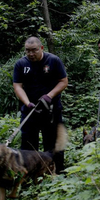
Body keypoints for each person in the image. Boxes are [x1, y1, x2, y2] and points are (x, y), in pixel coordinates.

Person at [13, 36, 68, 173]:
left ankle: (57, 172)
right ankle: (30, 174)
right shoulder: (21, 64)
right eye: (27, 51)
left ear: (41, 48)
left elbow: (63, 81)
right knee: (28, 144)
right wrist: (27, 103)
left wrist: (49, 96)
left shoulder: (53, 61)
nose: (31, 54)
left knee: (53, 142)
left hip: (51, 110)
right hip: (30, 111)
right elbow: (18, 86)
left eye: (34, 50)